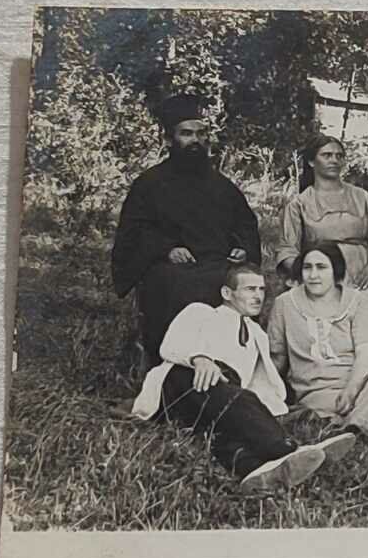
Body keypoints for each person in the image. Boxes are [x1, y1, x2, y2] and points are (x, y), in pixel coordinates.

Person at [130, 262, 357, 491]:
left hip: (222, 396)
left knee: (226, 428)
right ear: (227, 293)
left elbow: (259, 382)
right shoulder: (201, 312)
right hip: (183, 382)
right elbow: (170, 344)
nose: (258, 296)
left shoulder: (257, 334)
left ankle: (252, 469)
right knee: (233, 397)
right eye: (250, 289)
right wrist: (199, 358)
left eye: (261, 290)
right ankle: (285, 449)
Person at [111, 93, 262, 365]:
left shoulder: (222, 186)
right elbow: (133, 233)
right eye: (187, 134)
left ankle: (232, 367)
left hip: (217, 263)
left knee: (238, 286)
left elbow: (246, 224)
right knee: (178, 287)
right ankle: (173, 371)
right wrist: (166, 249)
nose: (196, 140)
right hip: (170, 268)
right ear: (170, 140)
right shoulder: (149, 184)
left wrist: (243, 248)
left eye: (202, 134)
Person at [268, 242, 368, 441]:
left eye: (321, 267)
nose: (313, 275)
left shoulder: (357, 301)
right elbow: (277, 358)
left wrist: (351, 391)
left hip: (362, 379)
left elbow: (366, 353)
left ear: (336, 270)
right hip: (320, 389)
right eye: (308, 267)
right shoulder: (284, 304)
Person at [276, 134, 368, 338]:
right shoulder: (299, 204)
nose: (334, 160)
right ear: (312, 161)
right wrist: (310, 273)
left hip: (361, 272)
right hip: (320, 271)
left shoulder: (364, 198)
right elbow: (287, 250)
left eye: (339, 156)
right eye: (327, 155)